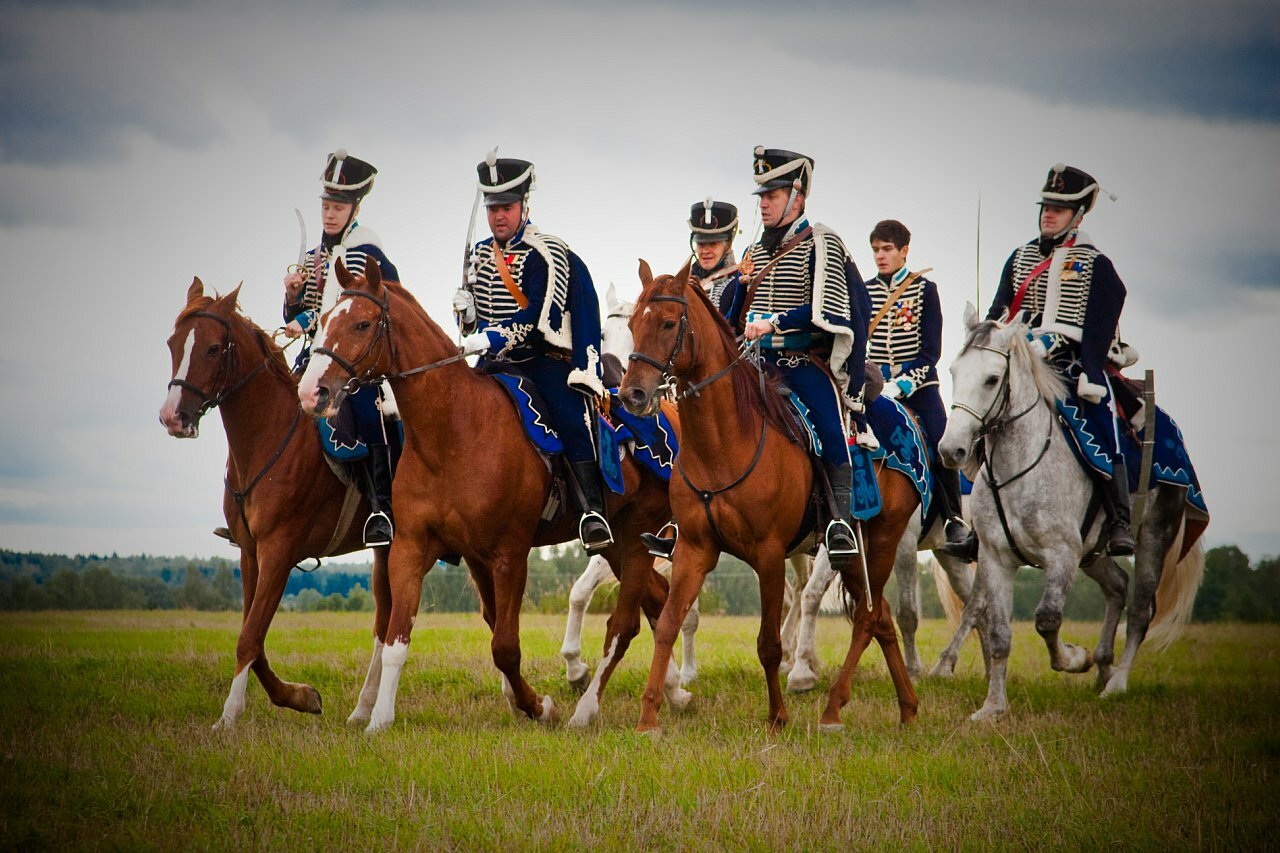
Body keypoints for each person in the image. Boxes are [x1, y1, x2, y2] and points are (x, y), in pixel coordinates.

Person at [452, 152, 612, 552]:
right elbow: (477, 322)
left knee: (572, 418)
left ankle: (592, 511)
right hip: (494, 364)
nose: (498, 216)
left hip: (541, 359)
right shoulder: (479, 254)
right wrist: (468, 317)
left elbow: (537, 316)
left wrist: (488, 337)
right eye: (492, 209)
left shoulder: (547, 252)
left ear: (524, 205)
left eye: (505, 207)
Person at [720, 147, 872, 563]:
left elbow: (830, 308)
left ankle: (840, 522)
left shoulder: (821, 242)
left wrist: (775, 322)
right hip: (754, 362)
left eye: (772, 195)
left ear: (797, 197)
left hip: (801, 363)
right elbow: (731, 319)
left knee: (828, 426)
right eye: (762, 197)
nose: (764, 204)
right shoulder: (755, 250)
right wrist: (738, 287)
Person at [986, 163, 1134, 555]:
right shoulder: (1019, 258)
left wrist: (1090, 370)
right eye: (1046, 206)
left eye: (1059, 208)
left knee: (1103, 424)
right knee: (979, 414)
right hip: (1021, 362)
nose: (1048, 214)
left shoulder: (1095, 264)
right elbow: (999, 311)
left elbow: (1102, 322)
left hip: (1073, 363)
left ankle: (1119, 519)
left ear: (1079, 214)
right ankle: (975, 520)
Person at [282, 149, 399, 548]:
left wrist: (308, 320)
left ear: (354, 207)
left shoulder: (369, 252)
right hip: (315, 359)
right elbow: (308, 313)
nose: (330, 214)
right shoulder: (314, 259)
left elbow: (387, 301)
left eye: (338, 207)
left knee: (370, 411)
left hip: (358, 362)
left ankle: (382, 508)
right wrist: (292, 300)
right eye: (327, 206)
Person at [866, 219, 977, 559]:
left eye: (887, 250)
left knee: (942, 443)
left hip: (917, 386)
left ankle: (954, 518)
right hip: (873, 386)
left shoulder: (924, 290)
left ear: (904, 251)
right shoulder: (864, 290)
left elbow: (931, 352)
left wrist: (902, 384)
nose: (881, 257)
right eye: (875, 250)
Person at [687, 198, 739, 313]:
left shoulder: (738, 283)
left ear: (728, 245)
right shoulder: (684, 281)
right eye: (701, 244)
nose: (705, 251)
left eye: (713, 244)